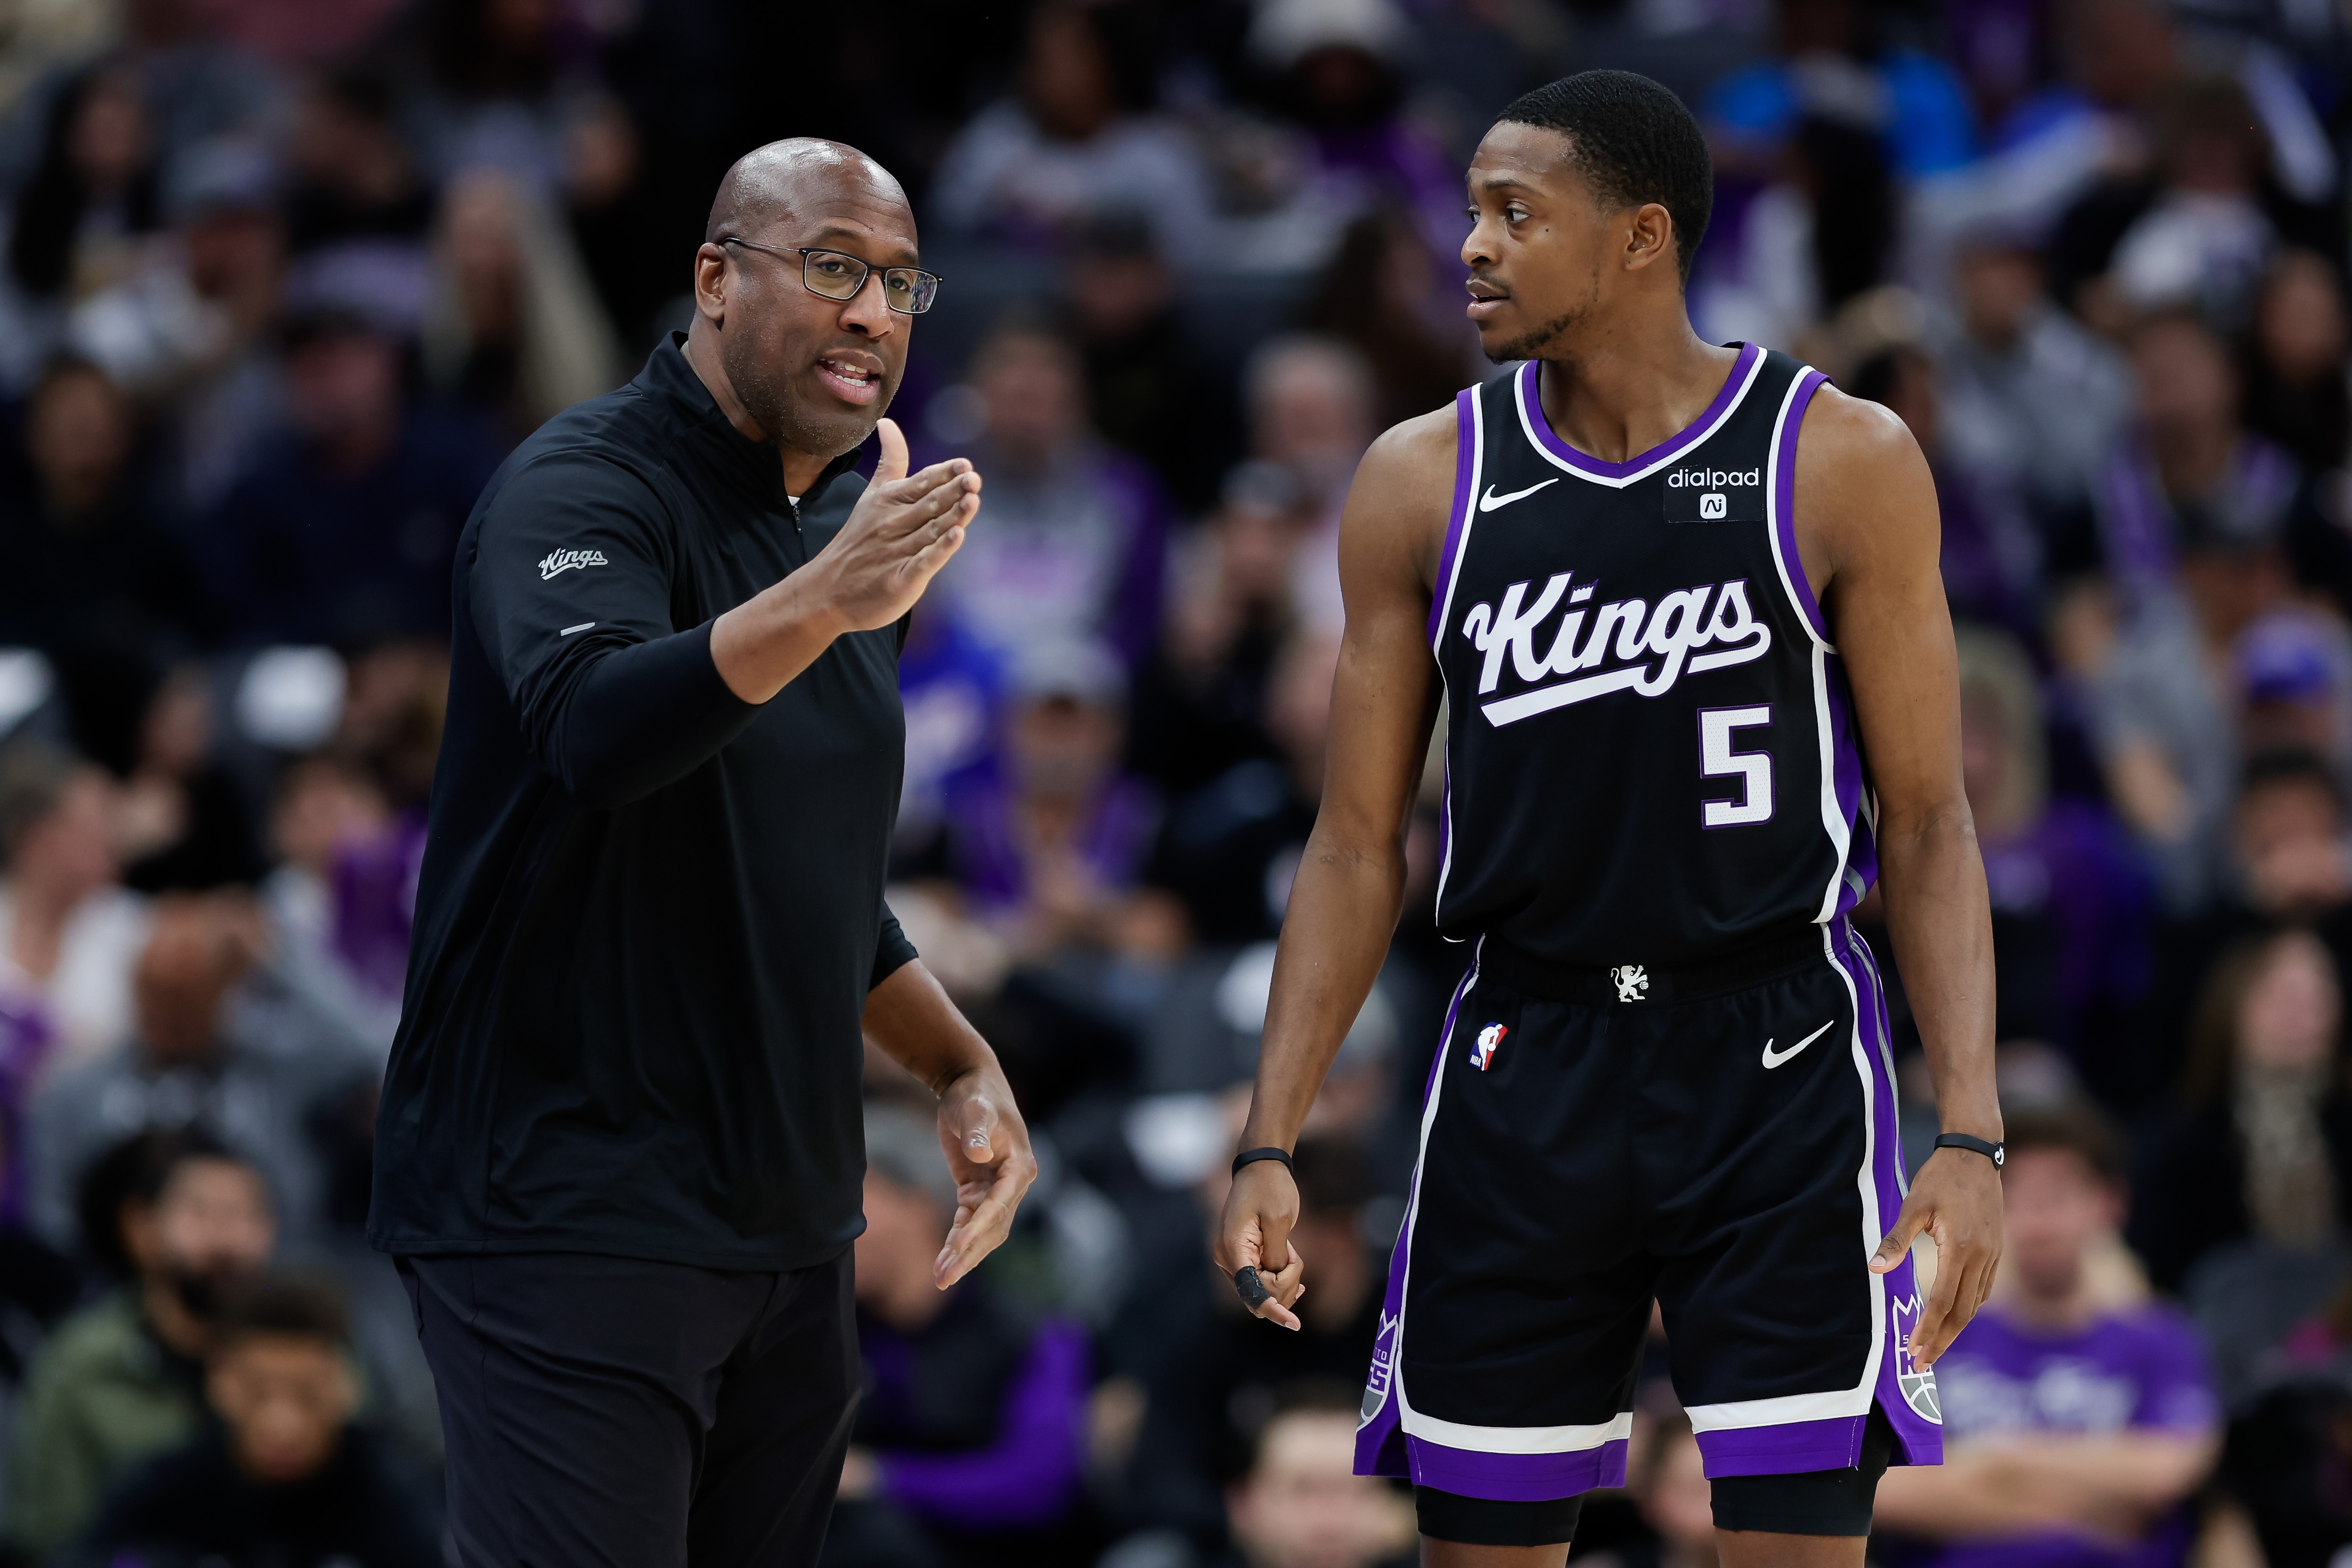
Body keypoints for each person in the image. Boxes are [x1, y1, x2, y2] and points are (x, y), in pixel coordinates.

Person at [1215, 72, 2003, 1566]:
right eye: (1470, 213)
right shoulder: (1420, 479)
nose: (1472, 246)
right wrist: (1271, 1132)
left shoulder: (1837, 456)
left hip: (1775, 1055)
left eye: (1516, 215)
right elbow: (1356, 842)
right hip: (1529, 1049)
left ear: (1641, 237)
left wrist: (1968, 1125)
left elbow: (1927, 820)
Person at [367, 138, 1038, 1568]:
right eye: (833, 266)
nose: (871, 312)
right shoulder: (579, 486)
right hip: (564, 1205)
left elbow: (805, 873)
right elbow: (599, 731)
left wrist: (955, 1062)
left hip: (789, 1228)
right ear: (715, 280)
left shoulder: (846, 540)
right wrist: (830, 597)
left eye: (900, 283)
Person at [1874, 1104, 2221, 1567]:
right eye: (2017, 1197)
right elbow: (1881, 1491)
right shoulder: (1934, 1336)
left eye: (2058, 1197)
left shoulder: (2160, 1337)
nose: (2038, 1223)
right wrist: (2086, 1507)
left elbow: (2170, 1469)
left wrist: (1992, 1466)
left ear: (2110, 1204)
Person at [832, 1104, 1088, 1565]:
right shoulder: (832, 1331)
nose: (829, 1229)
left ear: (918, 1206)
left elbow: (1039, 1484)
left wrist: (881, 1478)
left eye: (850, 1200)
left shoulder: (1027, 1329)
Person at [8, 1130, 276, 1559]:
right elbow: (48, 1538)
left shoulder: (304, 1353)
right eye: (204, 1213)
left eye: (251, 1214)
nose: (231, 1240)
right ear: (141, 1227)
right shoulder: (81, 1364)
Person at [69, 1272, 441, 1568]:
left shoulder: (392, 1489)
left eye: (307, 1393)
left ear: (346, 1387)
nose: (282, 1424)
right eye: (257, 1391)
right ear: (219, 1383)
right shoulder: (163, 1487)